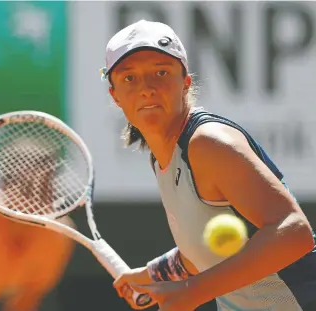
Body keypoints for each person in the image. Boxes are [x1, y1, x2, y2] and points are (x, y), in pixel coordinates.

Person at [101, 20, 316, 311]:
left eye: (161, 72)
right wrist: (154, 275)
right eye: (129, 78)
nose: (147, 88)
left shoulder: (208, 143)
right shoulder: (164, 157)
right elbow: (200, 251)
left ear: (185, 82)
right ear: (114, 94)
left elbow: (293, 232)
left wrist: (192, 291)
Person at [0, 142, 75, 311]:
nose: (38, 199)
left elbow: (27, 298)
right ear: (5, 187)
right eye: (29, 188)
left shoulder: (57, 237)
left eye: (46, 187)